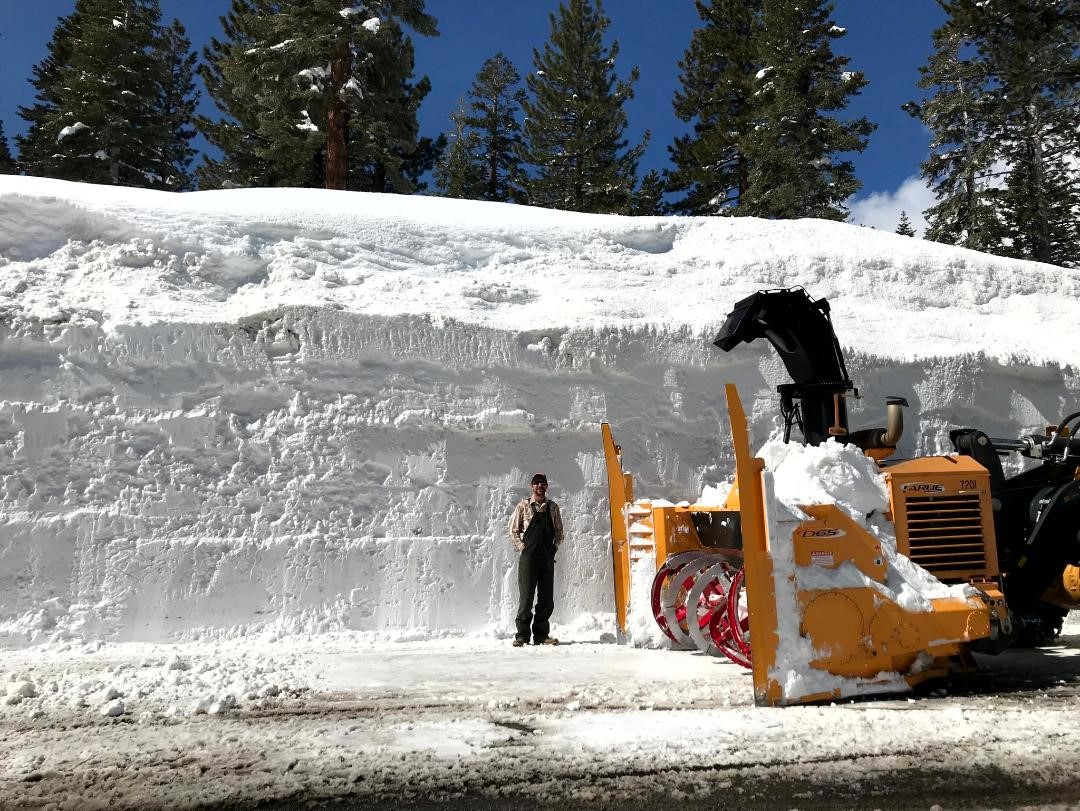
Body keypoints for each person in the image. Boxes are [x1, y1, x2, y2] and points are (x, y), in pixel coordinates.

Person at [508, 472, 565, 647]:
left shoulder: (553, 508)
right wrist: (522, 548)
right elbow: (513, 530)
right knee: (526, 597)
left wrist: (554, 548)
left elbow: (559, 532)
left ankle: (541, 635)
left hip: (546, 558)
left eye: (543, 483)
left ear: (547, 486)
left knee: (546, 598)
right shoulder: (523, 506)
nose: (540, 486)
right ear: (532, 486)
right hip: (529, 559)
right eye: (537, 483)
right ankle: (522, 636)